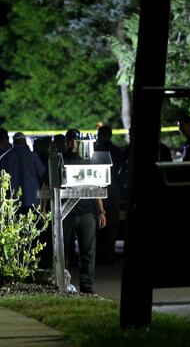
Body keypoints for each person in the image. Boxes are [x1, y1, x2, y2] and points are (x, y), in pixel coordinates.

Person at [62, 129, 107, 294]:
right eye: (70, 140)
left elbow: (96, 186)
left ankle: (87, 287)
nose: (72, 143)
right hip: (64, 213)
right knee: (63, 252)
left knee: (87, 251)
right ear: (66, 142)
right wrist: (45, 210)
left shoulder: (89, 160)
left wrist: (101, 211)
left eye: (75, 140)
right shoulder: (61, 159)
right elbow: (48, 183)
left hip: (87, 212)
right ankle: (62, 285)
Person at [94, 126, 124, 265]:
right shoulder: (117, 151)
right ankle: (109, 252)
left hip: (98, 186)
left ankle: (97, 251)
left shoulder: (95, 150)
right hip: (114, 187)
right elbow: (122, 169)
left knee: (97, 218)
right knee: (112, 221)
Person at [0, 132, 46, 211]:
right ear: (25, 141)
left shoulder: (5, 157)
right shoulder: (33, 156)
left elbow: (0, 180)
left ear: (13, 142)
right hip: (32, 200)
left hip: (12, 201)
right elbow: (43, 174)